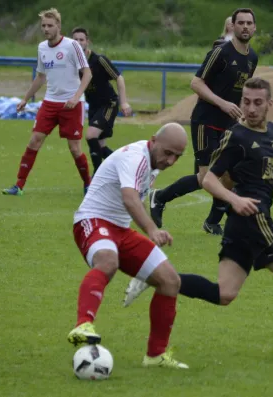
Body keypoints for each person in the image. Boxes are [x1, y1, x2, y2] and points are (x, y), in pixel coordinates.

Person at [124, 78, 273, 361]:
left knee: (225, 293)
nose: (250, 108)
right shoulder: (236, 136)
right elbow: (208, 179)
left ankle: (155, 278)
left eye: (257, 102)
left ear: (269, 104)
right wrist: (234, 199)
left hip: (241, 224)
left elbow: (267, 170)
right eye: (246, 102)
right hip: (252, 216)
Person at [68, 123, 189, 369]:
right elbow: (130, 199)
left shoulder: (152, 162)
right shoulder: (136, 158)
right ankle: (83, 324)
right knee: (108, 261)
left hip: (120, 230)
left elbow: (133, 202)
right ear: (153, 140)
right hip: (92, 220)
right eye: (168, 153)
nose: (171, 161)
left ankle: (155, 356)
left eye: (178, 156)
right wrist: (152, 229)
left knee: (170, 281)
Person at [149, 8, 259, 236]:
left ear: (255, 27)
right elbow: (196, 83)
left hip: (230, 122)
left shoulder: (252, 58)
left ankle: (212, 222)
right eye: (241, 23)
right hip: (206, 120)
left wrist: (243, 111)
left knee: (228, 174)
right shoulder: (220, 53)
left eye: (249, 23)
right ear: (233, 26)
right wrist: (222, 103)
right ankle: (159, 197)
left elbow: (240, 89)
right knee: (205, 177)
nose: (245, 27)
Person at [2, 8, 92, 196]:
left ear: (58, 26)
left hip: (72, 104)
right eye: (43, 25)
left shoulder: (72, 46)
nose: (46, 29)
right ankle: (18, 186)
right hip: (50, 102)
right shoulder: (42, 47)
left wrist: (75, 97)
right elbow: (40, 77)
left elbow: (87, 74)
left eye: (50, 25)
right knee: (34, 140)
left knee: (75, 149)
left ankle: (88, 185)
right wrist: (25, 99)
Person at [71, 27, 132, 175]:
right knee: (99, 145)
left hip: (108, 104)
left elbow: (119, 77)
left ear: (88, 42)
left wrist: (123, 102)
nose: (78, 43)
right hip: (93, 107)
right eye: (75, 40)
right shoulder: (72, 63)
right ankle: (127, 168)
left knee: (91, 135)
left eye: (81, 39)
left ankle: (97, 176)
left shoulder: (99, 60)